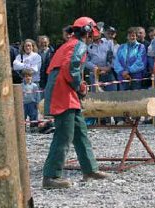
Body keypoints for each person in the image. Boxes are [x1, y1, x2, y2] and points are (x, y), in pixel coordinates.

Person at [43, 17, 109, 189]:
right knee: (63, 136)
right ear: (88, 31)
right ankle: (51, 176)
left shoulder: (70, 44)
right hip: (63, 93)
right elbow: (70, 68)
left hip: (65, 91)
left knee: (80, 132)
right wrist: (80, 87)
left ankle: (90, 169)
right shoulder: (78, 45)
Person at [113, 27, 147, 125]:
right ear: (127, 36)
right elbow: (116, 61)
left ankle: (136, 118)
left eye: (134, 35)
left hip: (136, 76)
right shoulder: (121, 47)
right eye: (130, 35)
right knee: (123, 97)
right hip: (122, 77)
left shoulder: (141, 47)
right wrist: (122, 72)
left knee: (135, 97)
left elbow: (141, 62)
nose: (132, 37)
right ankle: (124, 118)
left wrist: (129, 70)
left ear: (136, 36)